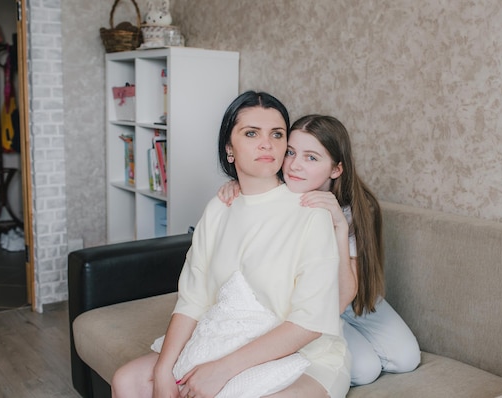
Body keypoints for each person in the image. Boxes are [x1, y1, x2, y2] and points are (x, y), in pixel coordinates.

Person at [111, 92, 351, 398]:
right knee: (127, 381)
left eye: (276, 135)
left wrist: (221, 370)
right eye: (251, 133)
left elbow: (309, 323)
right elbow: (193, 299)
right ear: (229, 149)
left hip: (305, 354)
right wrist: (163, 370)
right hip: (226, 338)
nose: (266, 144)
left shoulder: (311, 212)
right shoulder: (219, 207)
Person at [219, 114, 421, 386]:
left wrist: (339, 225)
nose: (295, 165)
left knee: (407, 358)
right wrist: (235, 186)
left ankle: (348, 335)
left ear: (336, 169)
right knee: (364, 369)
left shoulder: (357, 208)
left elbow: (346, 294)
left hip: (349, 298)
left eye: (311, 158)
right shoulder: (279, 194)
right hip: (315, 306)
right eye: (290, 152)